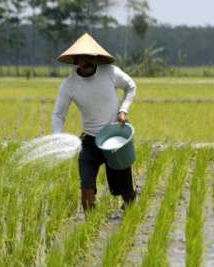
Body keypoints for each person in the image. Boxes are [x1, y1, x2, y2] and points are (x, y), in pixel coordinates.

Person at [52, 33, 137, 212]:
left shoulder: (110, 72)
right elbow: (59, 115)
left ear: (96, 57)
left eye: (91, 57)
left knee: (126, 191)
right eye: (83, 58)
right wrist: (57, 137)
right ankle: (89, 227)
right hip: (90, 142)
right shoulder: (69, 85)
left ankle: (130, 214)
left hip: (115, 140)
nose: (88, 61)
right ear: (76, 60)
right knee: (86, 189)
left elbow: (131, 86)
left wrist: (123, 110)